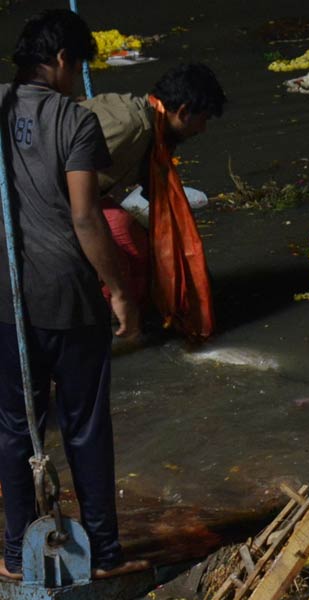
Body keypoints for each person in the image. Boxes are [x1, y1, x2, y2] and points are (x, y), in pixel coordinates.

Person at [0, 9, 144, 580]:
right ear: (63, 61)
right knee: (84, 425)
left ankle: (13, 557)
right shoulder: (75, 121)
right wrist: (121, 291)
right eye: (77, 62)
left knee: (16, 426)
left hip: (6, 299)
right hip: (67, 295)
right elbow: (86, 218)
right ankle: (104, 555)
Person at [80, 64, 226, 339]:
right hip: (45, 198)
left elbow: (164, 205)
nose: (203, 129)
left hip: (84, 196)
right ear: (182, 112)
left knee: (138, 243)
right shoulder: (129, 126)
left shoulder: (154, 131)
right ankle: (110, 326)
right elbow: (55, 172)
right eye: (203, 119)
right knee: (119, 252)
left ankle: (135, 317)